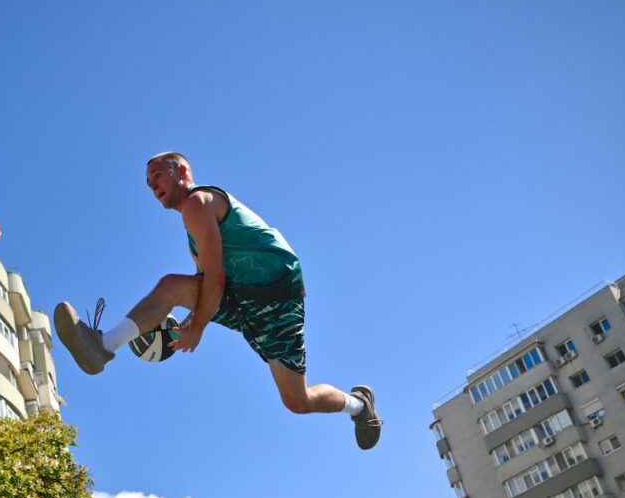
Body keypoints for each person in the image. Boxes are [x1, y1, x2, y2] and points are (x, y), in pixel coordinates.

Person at [54, 152, 382, 450]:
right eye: (148, 184)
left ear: (181, 170)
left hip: (276, 297)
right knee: (171, 287)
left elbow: (216, 277)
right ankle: (102, 346)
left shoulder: (200, 202)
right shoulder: (191, 233)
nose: (153, 187)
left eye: (158, 176)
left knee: (298, 400)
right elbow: (204, 283)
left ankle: (359, 405)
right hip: (244, 298)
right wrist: (191, 320)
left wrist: (197, 326)